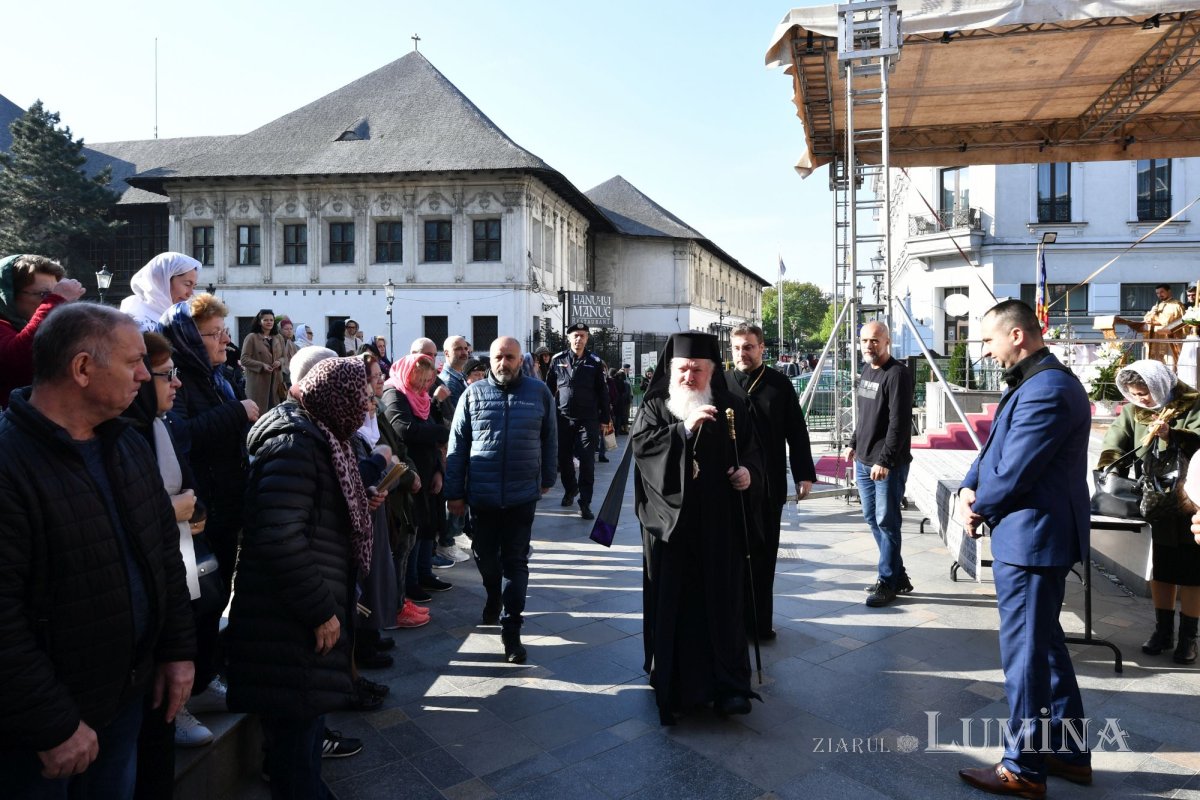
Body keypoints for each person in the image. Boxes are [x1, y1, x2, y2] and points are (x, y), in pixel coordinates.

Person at [0, 303, 195, 797]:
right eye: (132, 362)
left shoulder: (125, 443)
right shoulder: (9, 464)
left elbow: (163, 556)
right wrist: (52, 723)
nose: (142, 375)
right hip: (43, 732)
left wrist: (176, 652)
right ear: (82, 368)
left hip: (124, 703)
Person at [957, 299, 1092, 797]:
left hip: (1034, 541)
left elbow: (1014, 470)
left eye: (989, 341)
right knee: (1048, 649)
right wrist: (971, 484)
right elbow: (994, 450)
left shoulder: (1050, 388)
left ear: (1016, 336)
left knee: (1027, 657)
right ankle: (1070, 753)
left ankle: (1025, 767)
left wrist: (978, 505)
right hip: (1030, 537)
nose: (986, 352)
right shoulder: (1036, 383)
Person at [226, 357, 376, 800]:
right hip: (288, 621)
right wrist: (319, 610)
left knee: (305, 731)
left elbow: (311, 512)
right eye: (362, 397)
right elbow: (278, 534)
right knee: (294, 743)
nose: (368, 405)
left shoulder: (321, 433)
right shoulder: (296, 441)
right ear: (337, 398)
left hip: (298, 617)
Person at [632, 332, 762, 725]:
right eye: (683, 369)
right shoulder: (656, 406)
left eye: (698, 370)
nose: (690, 377)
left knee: (724, 604)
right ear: (672, 371)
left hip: (720, 525)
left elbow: (755, 453)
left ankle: (731, 689)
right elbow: (642, 449)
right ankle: (677, 687)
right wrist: (684, 429)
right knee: (676, 604)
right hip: (671, 528)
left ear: (712, 371)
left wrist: (748, 473)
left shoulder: (732, 407)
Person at [122, 331, 212, 792]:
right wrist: (169, 510)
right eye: (165, 375)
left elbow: (187, 485)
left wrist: (192, 511)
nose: (175, 384)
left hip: (176, 577)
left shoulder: (161, 425)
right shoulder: (123, 437)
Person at [445, 337, 557, 664]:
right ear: (490, 359)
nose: (503, 363)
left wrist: (548, 477)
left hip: (522, 496)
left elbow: (550, 439)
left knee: (516, 561)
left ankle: (512, 630)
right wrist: (455, 493)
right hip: (483, 496)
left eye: (509, 357)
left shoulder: (538, 393)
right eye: (498, 357)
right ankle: (493, 593)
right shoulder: (473, 394)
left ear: (520, 359)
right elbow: (457, 447)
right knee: (484, 557)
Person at [161, 296, 258, 618]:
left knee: (217, 596)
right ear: (188, 339)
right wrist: (234, 412)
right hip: (197, 514)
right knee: (197, 601)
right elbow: (177, 436)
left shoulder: (219, 376)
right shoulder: (175, 381)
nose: (227, 340)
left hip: (224, 507)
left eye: (224, 331)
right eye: (215, 333)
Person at [1097, 360, 1200, 664]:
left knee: (1194, 574)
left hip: (1193, 500)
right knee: (1163, 568)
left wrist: (1172, 435)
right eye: (1134, 394)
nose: (1141, 399)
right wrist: (1109, 471)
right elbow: (1116, 443)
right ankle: (1163, 632)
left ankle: (1188, 639)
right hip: (1157, 501)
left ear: (1159, 385)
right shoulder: (1134, 411)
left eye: (1144, 392)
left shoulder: (1193, 404)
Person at [726, 323, 816, 640]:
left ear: (762, 348)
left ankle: (760, 622)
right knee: (732, 557)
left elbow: (797, 432)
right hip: (730, 487)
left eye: (748, 347)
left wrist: (804, 473)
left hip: (769, 486)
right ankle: (731, 623)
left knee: (764, 556)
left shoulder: (779, 385)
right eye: (736, 348)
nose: (742, 353)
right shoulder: (722, 384)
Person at [849, 321, 914, 608]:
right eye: (864, 341)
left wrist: (884, 460)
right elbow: (864, 414)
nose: (869, 346)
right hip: (863, 461)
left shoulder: (897, 374)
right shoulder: (866, 369)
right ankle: (897, 574)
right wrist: (853, 443)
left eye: (875, 340)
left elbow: (899, 424)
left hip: (886, 464)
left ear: (887, 341)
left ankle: (887, 581)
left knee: (887, 522)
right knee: (871, 518)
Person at [381, 354, 453, 602]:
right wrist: (443, 431)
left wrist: (437, 470)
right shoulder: (395, 394)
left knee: (429, 524)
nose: (423, 385)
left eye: (427, 380)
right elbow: (405, 429)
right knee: (413, 528)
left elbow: (427, 428)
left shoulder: (422, 397)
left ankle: (424, 573)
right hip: (410, 472)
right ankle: (409, 581)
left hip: (428, 468)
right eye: (419, 379)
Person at [0, 254, 86, 410]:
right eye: (44, 295)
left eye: (53, 294)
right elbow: (18, 362)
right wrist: (55, 300)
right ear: (9, 294)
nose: (48, 301)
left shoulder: (22, 322)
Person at [546, 322, 612, 520]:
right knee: (564, 458)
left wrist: (605, 419)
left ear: (587, 338)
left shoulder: (594, 361)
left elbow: (603, 391)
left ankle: (585, 502)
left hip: (588, 419)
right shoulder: (557, 360)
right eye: (575, 335)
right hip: (563, 418)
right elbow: (548, 390)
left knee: (587, 460)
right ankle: (570, 489)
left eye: (582, 336)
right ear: (569, 338)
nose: (579, 339)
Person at [119, 252, 201, 332]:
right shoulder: (136, 321)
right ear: (163, 281)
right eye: (187, 284)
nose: (191, 294)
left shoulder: (183, 318)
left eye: (194, 287)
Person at [242, 309, 285, 412]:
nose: (269, 322)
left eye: (271, 320)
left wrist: (280, 362)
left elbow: (284, 357)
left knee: (274, 412)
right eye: (266, 320)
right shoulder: (251, 337)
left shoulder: (278, 337)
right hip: (258, 383)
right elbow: (244, 359)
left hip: (276, 383)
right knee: (258, 413)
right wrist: (262, 365)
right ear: (259, 321)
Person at [1143, 283, 1186, 364]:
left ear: (1169, 291)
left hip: (1169, 338)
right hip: (1156, 339)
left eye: (1162, 292)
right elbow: (1146, 319)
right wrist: (1152, 312)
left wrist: (1153, 319)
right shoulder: (1158, 305)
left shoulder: (1176, 304)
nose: (1159, 295)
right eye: (1157, 293)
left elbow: (1167, 321)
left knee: (1170, 362)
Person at [277, 317, 301, 388]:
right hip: (278, 375)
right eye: (286, 329)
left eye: (291, 329)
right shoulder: (276, 342)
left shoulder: (292, 344)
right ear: (280, 330)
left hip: (290, 376)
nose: (289, 331)